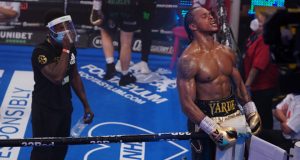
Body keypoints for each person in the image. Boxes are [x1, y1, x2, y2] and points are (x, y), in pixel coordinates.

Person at [177, 7, 262, 159]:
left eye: (210, 14)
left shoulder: (226, 52)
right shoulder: (189, 59)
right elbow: (187, 104)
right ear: (193, 26)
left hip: (233, 113)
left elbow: (239, 85)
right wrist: (213, 130)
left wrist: (251, 110)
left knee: (238, 156)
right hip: (205, 120)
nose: (211, 18)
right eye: (204, 16)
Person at [31, 9, 94, 160]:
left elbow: (74, 76)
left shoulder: (71, 49)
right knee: (43, 152)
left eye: (67, 26)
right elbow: (57, 77)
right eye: (61, 28)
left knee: (60, 150)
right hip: (45, 110)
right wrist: (66, 48)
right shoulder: (41, 52)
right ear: (50, 30)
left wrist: (86, 105)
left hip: (64, 107)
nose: (66, 31)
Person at [243, 11, 280, 130]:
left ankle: (264, 141)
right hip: (256, 86)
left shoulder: (265, 40)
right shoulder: (254, 37)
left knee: (262, 116)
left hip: (263, 87)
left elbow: (257, 66)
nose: (256, 23)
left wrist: (246, 86)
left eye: (260, 22)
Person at [90, 0, 138, 86]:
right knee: (126, 41)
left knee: (105, 33)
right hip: (129, 6)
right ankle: (124, 75)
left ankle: (110, 66)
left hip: (110, 5)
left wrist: (96, 7)